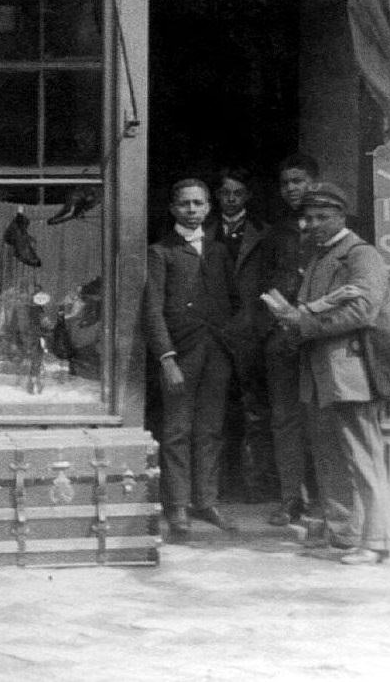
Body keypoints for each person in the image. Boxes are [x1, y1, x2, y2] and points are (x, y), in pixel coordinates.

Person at [275, 181, 390, 566]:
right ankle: (344, 535)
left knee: (363, 458)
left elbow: (363, 310)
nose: (311, 224)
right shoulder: (321, 256)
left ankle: (376, 542)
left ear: (341, 217)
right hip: (321, 374)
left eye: (321, 217)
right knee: (329, 457)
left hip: (351, 374)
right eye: (308, 217)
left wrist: (304, 325)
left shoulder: (361, 255)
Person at [143, 178, 238, 537]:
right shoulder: (161, 252)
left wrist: (228, 343)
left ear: (209, 207)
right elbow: (152, 309)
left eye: (199, 203)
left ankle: (206, 500)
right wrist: (166, 358)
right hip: (180, 353)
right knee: (177, 430)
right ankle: (177, 504)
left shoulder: (218, 252)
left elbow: (233, 301)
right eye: (185, 204)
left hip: (216, 353)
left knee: (211, 429)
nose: (192, 210)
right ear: (173, 209)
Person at [259, 152, 320, 527]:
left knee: (321, 418)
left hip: (319, 337)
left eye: (298, 181)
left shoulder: (336, 228)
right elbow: (264, 283)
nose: (292, 189)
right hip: (282, 339)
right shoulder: (276, 233)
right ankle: (291, 498)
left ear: (314, 182)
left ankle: (325, 500)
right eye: (285, 183)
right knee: (285, 420)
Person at [209, 167, 274, 504]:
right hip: (216, 334)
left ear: (247, 196)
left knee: (254, 412)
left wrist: (261, 326)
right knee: (217, 411)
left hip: (251, 334)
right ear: (217, 196)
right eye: (225, 193)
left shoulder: (264, 233)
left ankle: (255, 486)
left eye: (237, 193)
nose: (231, 198)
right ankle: (218, 486)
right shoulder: (204, 232)